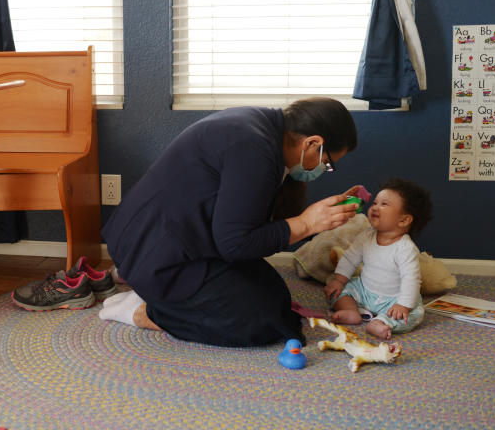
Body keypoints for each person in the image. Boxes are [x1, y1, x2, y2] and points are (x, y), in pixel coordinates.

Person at [98, 98, 362, 347]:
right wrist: (306, 224)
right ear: (312, 143)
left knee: (275, 295)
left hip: (171, 240)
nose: (323, 170)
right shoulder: (255, 150)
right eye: (326, 163)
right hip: (155, 254)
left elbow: (247, 226)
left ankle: (156, 294)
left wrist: (317, 221)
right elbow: (236, 244)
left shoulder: (263, 128)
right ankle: (143, 310)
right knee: (262, 321)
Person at [323, 177, 433, 340]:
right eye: (375, 203)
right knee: (338, 290)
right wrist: (339, 280)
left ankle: (382, 322)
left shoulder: (405, 248)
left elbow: (411, 279)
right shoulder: (366, 235)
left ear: (403, 220)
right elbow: (350, 258)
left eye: (384, 204)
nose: (375, 207)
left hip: (394, 299)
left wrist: (403, 304)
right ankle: (351, 311)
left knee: (415, 313)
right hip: (365, 290)